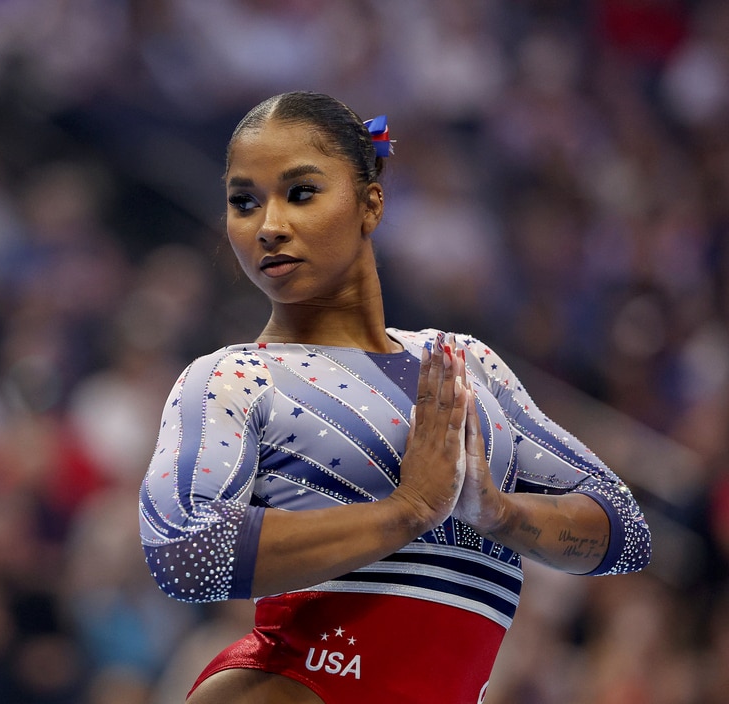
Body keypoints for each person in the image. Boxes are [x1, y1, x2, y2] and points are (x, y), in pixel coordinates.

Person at [138, 91, 651, 704]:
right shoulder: (235, 377)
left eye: (301, 192)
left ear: (370, 203)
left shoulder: (465, 366)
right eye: (244, 201)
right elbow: (184, 550)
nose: (269, 226)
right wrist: (404, 511)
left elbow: (625, 530)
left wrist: (498, 513)